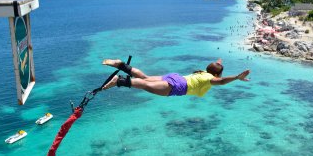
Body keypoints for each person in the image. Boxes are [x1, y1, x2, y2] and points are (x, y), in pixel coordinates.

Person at [101, 59, 250, 97]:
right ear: (217, 74)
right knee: (144, 85)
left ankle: (121, 64)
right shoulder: (209, 78)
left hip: (175, 77)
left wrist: (218, 63)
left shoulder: (203, 72)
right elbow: (222, 81)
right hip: (179, 87)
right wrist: (237, 77)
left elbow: (215, 69)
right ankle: (119, 81)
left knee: (145, 78)